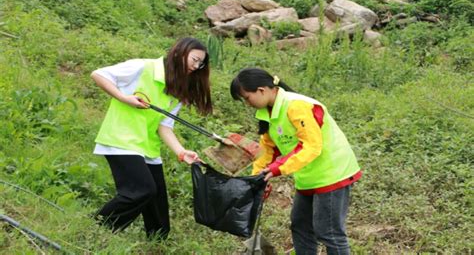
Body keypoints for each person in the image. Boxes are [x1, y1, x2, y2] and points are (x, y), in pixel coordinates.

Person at [230, 68, 361, 255]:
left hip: (332, 173)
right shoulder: (268, 113)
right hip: (308, 175)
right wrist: (257, 179)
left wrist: (277, 169)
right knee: (300, 226)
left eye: (247, 98)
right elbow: (268, 150)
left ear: (261, 90)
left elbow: (311, 146)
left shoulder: (296, 105)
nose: (246, 103)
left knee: (329, 232)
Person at [91, 37, 212, 240]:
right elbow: (98, 74)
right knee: (141, 190)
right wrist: (124, 98)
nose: (197, 66)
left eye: (201, 63)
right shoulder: (142, 67)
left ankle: (157, 243)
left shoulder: (176, 88)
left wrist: (181, 152)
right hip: (121, 139)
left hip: (147, 147)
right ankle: (97, 227)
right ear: (179, 52)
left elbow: (164, 126)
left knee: (159, 217)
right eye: (195, 59)